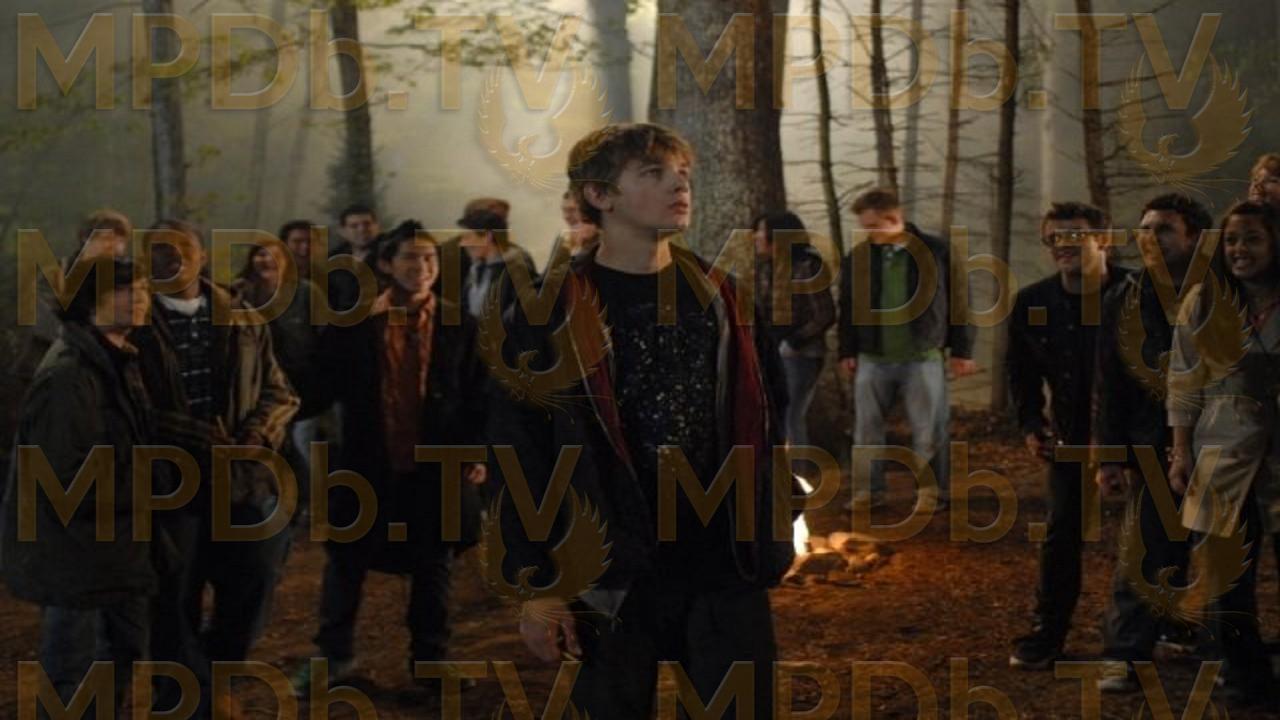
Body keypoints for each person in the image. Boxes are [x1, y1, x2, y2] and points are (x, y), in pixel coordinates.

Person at [486, 122, 794, 719]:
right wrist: (538, 584)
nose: (679, 186)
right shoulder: (547, 311)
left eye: (683, 174)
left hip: (722, 562)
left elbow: (769, 422)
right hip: (610, 566)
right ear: (599, 195)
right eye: (654, 174)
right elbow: (518, 450)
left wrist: (775, 521)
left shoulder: (723, 299)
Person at [293, 221, 487, 698]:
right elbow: (314, 388)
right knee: (346, 560)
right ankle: (333, 657)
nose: (422, 267)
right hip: (366, 461)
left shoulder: (461, 326)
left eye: (429, 258)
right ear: (385, 264)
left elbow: (481, 395)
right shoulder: (354, 325)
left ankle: (431, 662)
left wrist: (478, 449)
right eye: (410, 258)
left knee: (435, 564)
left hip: (438, 464)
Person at [135, 219, 299, 717]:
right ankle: (183, 697)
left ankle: (215, 676)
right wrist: (191, 433)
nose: (171, 258)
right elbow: (123, 404)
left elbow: (281, 392)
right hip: (167, 482)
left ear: (202, 256)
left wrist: (257, 435)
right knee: (172, 595)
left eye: (181, 249)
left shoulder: (244, 318)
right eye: (158, 251)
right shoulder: (135, 322)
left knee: (255, 579)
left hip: (241, 479)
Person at [1, 258, 159, 718]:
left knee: (119, 655)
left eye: (143, 289)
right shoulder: (70, 375)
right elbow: (66, 479)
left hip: (112, 546)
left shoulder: (116, 358)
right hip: (76, 551)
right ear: (90, 303)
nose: (140, 298)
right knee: (74, 673)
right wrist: (159, 483)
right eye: (125, 290)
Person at [1091, 194, 1211, 691]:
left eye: (1163, 228)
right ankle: (1125, 656)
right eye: (1144, 228)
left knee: (1220, 552)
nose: (1150, 238)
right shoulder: (1126, 296)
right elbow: (1110, 380)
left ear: (1194, 236)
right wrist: (1109, 456)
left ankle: (1219, 651)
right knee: (1145, 550)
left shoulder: (1223, 289)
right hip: (1151, 440)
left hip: (1224, 440)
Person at [1006, 202, 1132, 670]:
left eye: (1075, 235)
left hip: (1138, 433)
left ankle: (1158, 629)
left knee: (1154, 534)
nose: (1063, 245)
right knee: (1062, 532)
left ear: (1104, 239)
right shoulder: (1033, 303)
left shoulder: (1138, 295)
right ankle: (1048, 631)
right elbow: (1020, 371)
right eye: (1054, 237)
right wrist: (1031, 425)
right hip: (1070, 435)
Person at [1166, 200, 1280, 706]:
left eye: (1252, 238)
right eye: (1232, 240)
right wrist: (1180, 451)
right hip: (1221, 445)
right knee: (1226, 573)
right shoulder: (1205, 301)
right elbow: (1183, 379)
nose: (1240, 249)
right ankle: (1244, 678)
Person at [837, 189, 977, 509]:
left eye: (873, 226)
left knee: (929, 430)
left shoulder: (937, 252)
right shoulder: (859, 258)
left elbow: (960, 302)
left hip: (923, 356)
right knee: (866, 430)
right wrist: (847, 350)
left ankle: (931, 493)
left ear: (893, 219)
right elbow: (848, 306)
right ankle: (868, 491)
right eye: (865, 227)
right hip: (872, 357)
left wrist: (962, 350)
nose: (869, 233)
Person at [233, 241, 325, 513]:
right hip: (259, 385)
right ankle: (277, 504)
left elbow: (325, 337)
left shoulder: (306, 292)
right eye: (260, 254)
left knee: (303, 444)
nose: (265, 260)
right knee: (270, 444)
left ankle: (313, 504)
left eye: (273, 255)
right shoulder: (241, 293)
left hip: (304, 384)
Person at [16, 209, 133, 384]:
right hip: (55, 359)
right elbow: (44, 322)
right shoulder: (58, 273)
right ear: (85, 238)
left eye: (120, 240)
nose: (113, 245)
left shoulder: (122, 281)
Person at [752, 210, 835, 448]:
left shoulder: (808, 266)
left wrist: (793, 342)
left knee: (790, 416)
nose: (756, 236)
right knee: (775, 416)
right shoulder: (766, 268)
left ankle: (797, 469)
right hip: (772, 351)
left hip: (800, 354)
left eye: (761, 231)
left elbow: (824, 314)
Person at [328, 204, 383, 313]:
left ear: (377, 226)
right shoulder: (332, 259)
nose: (362, 229)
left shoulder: (392, 255)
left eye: (367, 224)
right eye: (354, 226)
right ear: (343, 231)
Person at [561, 189, 600, 256]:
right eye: (564, 210)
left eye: (572, 210)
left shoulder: (606, 241)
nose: (566, 216)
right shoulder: (564, 240)